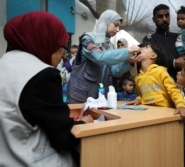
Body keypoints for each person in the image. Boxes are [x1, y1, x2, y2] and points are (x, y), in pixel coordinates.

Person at [0, 11, 94, 167]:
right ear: (44, 41)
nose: (63, 54)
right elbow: (63, 139)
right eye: (61, 47)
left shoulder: (5, 64)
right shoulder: (41, 75)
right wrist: (83, 124)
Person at [67, 10, 140, 104]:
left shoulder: (110, 46)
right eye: (115, 24)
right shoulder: (88, 39)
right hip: (81, 94)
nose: (117, 30)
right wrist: (127, 51)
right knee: (78, 118)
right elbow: (99, 57)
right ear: (105, 22)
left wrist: (129, 61)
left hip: (99, 96)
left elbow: (113, 70)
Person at [127, 42, 185, 116]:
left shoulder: (160, 71)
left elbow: (173, 90)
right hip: (147, 113)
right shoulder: (138, 78)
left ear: (153, 55)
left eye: (146, 47)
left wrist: (181, 105)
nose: (141, 48)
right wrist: (138, 100)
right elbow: (141, 95)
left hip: (164, 114)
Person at [140, 4, 185, 80]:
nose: (164, 19)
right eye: (160, 16)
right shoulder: (149, 39)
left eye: (167, 16)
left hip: (181, 82)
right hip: (160, 82)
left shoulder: (177, 36)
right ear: (154, 19)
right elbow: (150, 62)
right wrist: (173, 62)